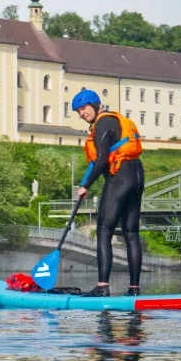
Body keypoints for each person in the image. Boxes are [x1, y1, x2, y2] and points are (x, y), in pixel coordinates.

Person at [72, 88, 145, 297]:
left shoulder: (102, 122)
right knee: (131, 234)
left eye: (84, 108)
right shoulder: (116, 121)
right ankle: (134, 289)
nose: (81, 113)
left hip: (120, 178)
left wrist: (85, 186)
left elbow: (102, 159)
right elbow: (105, 158)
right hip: (137, 175)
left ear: (95, 106)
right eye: (78, 111)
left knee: (104, 231)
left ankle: (102, 287)